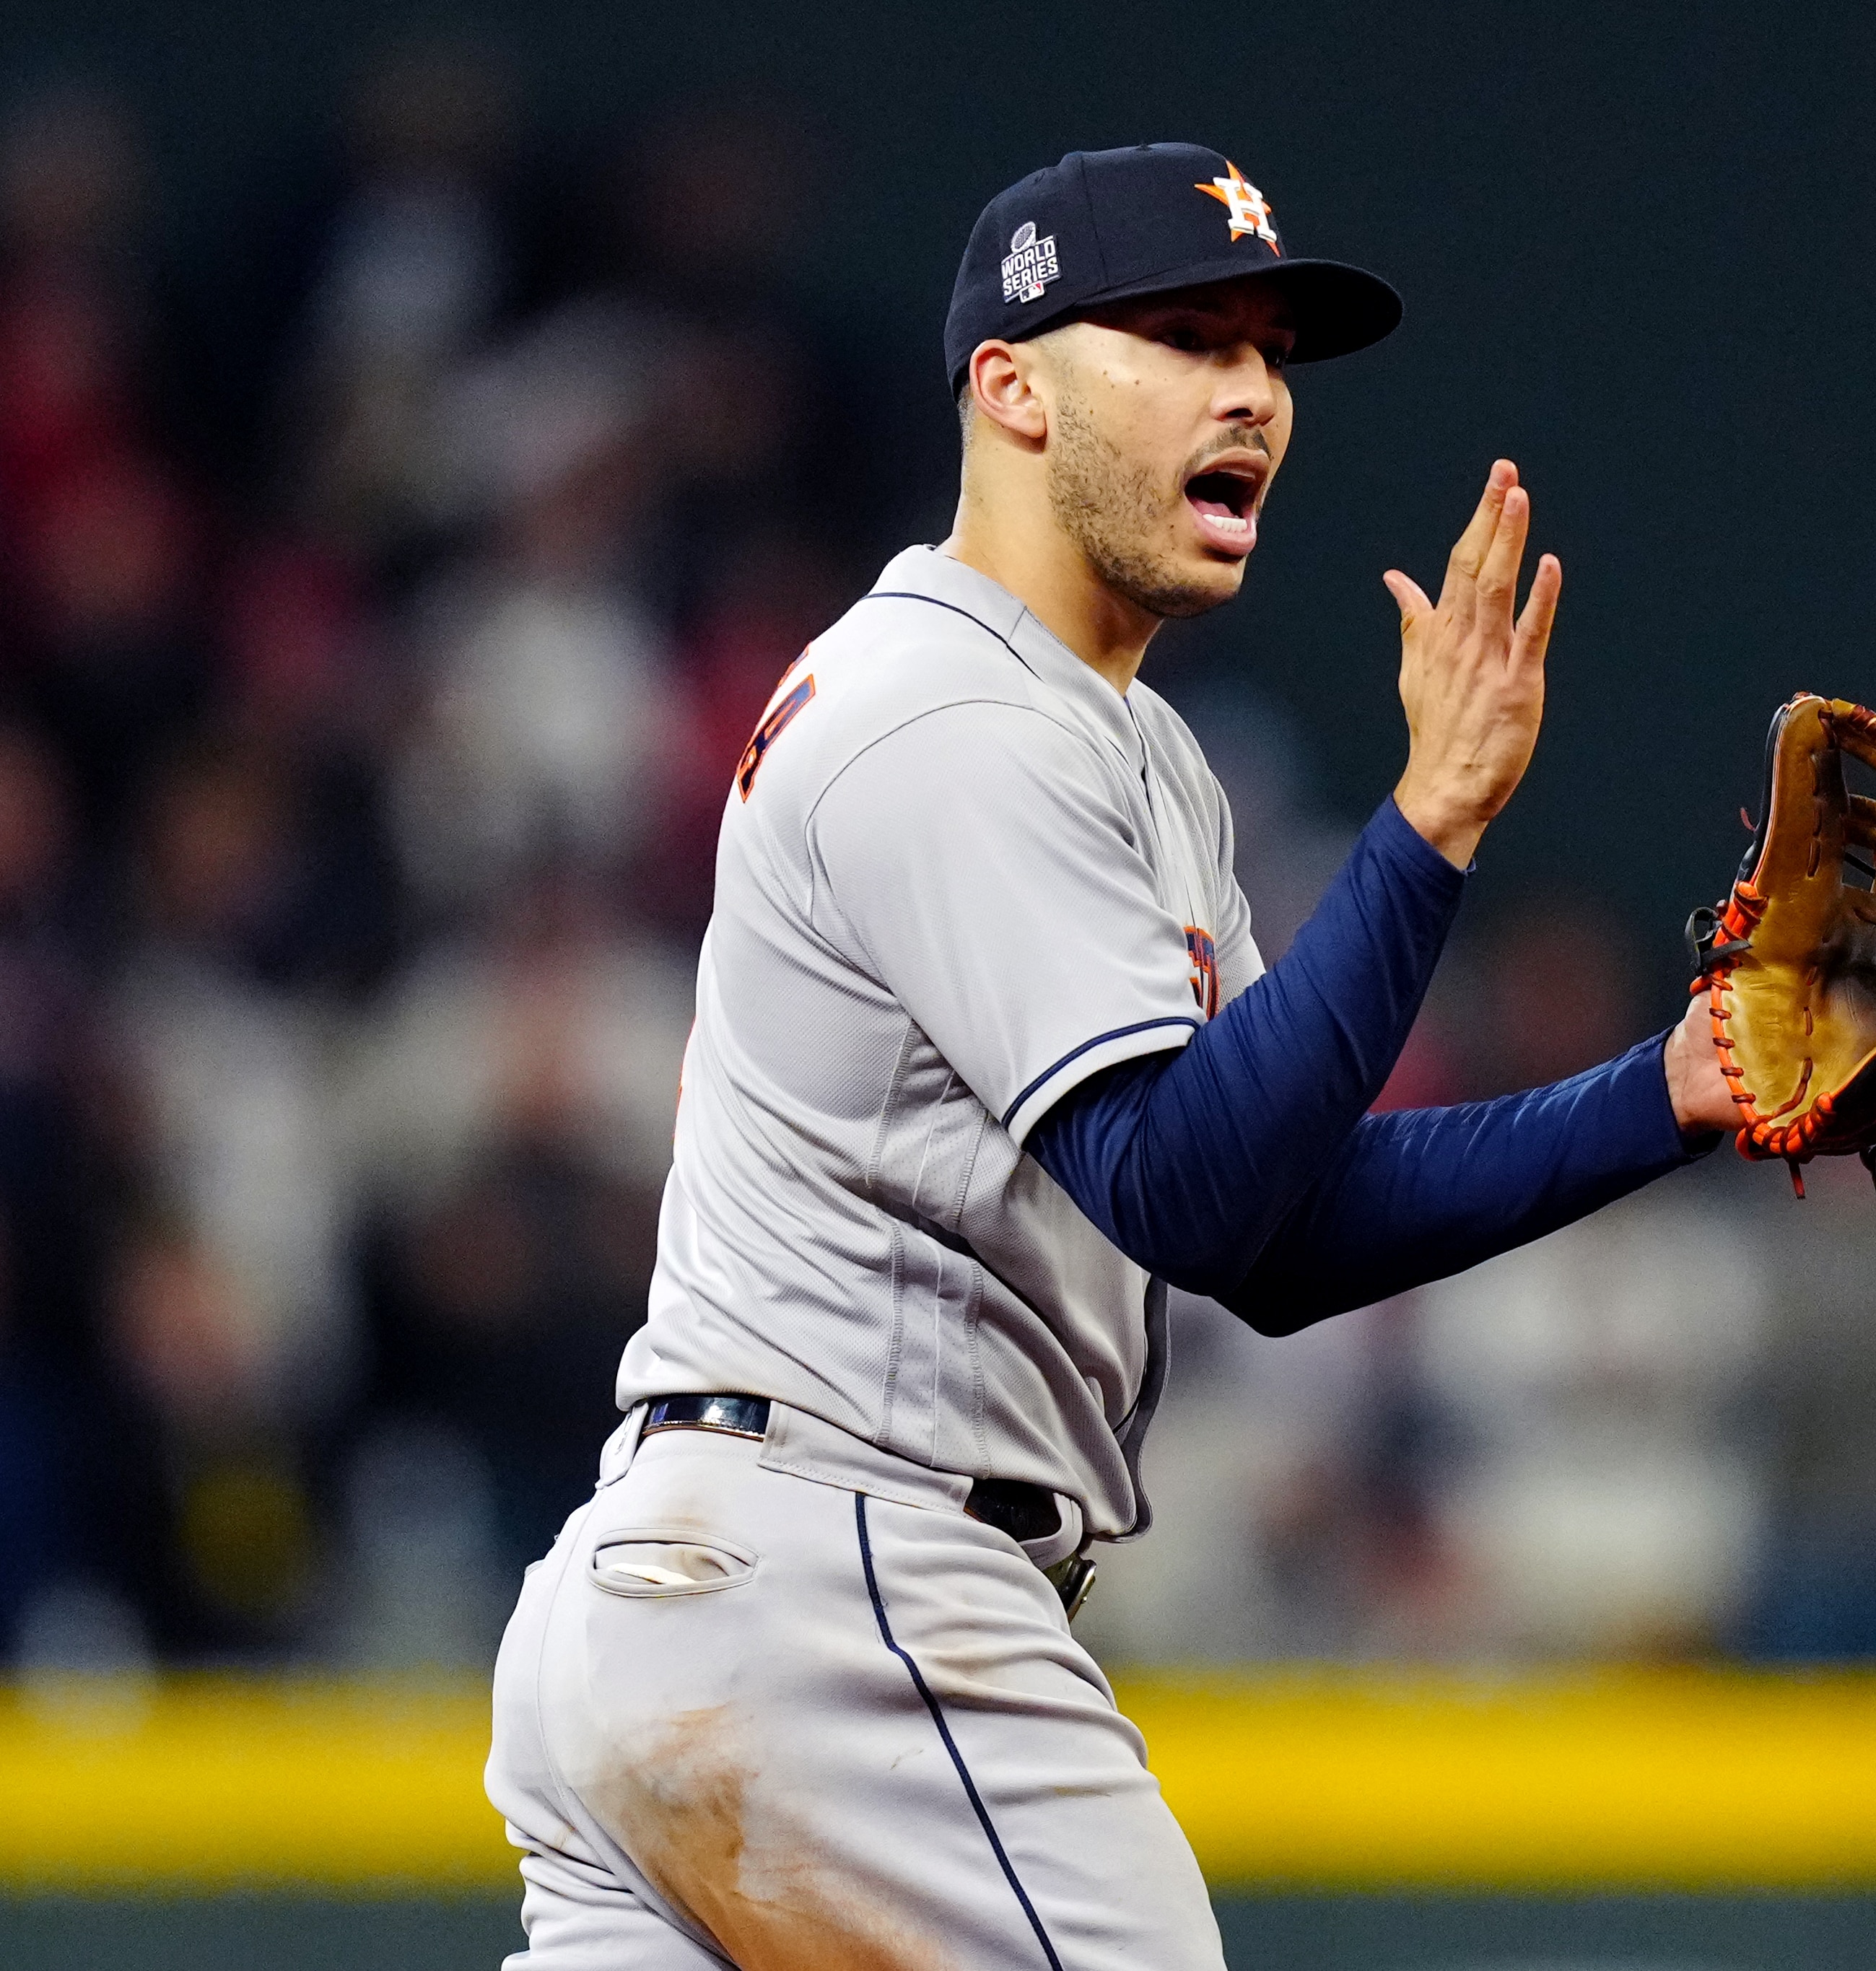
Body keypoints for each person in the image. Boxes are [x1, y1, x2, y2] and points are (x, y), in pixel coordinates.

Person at [485, 142, 1742, 1970]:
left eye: (1267, 353)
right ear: (1010, 386)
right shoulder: (947, 713)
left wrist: (1668, 1089)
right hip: (853, 1589)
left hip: (697, 1606)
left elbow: (1274, 1230)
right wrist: (1434, 818)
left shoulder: (1117, 751)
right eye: (1179, 333)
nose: (1248, 390)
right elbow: (1187, 1185)